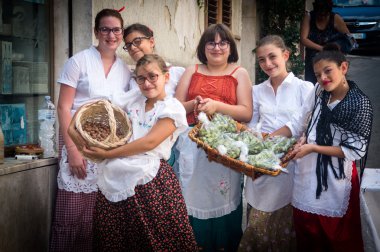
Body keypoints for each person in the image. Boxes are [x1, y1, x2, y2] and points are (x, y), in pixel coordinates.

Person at [68, 54, 198, 251]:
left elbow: (149, 142)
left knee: (154, 239)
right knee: (117, 238)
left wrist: (109, 154)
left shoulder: (172, 108)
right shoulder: (135, 98)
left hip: (150, 181)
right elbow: (102, 103)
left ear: (166, 76)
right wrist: (72, 126)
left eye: (153, 76)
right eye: (141, 78)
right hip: (116, 175)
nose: (147, 83)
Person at [272, 43, 373, 251]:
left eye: (328, 71)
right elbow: (303, 119)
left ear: (343, 68)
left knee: (335, 236)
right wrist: (297, 140)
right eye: (318, 75)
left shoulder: (359, 104)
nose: (323, 78)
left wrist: (314, 148)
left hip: (336, 177)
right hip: (308, 172)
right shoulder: (320, 91)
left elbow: (354, 151)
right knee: (306, 230)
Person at [50, 9, 131, 252]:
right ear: (96, 32)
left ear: (122, 33)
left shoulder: (124, 70)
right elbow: (64, 107)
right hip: (78, 143)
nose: (111, 34)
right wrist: (73, 150)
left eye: (116, 29)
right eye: (105, 29)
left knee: (98, 217)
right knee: (71, 214)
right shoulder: (79, 61)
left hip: (107, 149)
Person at [175, 23, 253, 251]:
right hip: (192, 145)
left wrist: (217, 105)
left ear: (230, 47)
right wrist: (195, 104)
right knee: (191, 196)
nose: (217, 47)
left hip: (224, 149)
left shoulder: (239, 72)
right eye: (211, 42)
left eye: (223, 42)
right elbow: (176, 107)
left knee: (223, 197)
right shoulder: (192, 70)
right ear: (203, 46)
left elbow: (246, 112)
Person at [238, 35, 313, 252]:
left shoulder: (304, 88)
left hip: (291, 163)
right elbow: (252, 124)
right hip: (261, 161)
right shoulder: (257, 90)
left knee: (285, 224)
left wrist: (276, 142)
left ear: (286, 55)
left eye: (272, 57)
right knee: (258, 220)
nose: (268, 64)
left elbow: (302, 125)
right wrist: (254, 145)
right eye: (262, 60)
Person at [123, 23, 185, 97]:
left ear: (151, 42)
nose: (132, 47)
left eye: (137, 41)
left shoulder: (177, 73)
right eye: (128, 45)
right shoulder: (132, 81)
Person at [301, 0, 351, 84]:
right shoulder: (309, 17)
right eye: (320, 15)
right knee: (312, 87)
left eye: (325, 15)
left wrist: (338, 46)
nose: (322, 17)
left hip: (331, 59)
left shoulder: (335, 18)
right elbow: (303, 39)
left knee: (331, 84)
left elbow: (349, 38)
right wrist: (322, 48)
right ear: (315, 12)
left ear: (329, 12)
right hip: (312, 60)